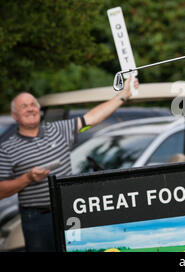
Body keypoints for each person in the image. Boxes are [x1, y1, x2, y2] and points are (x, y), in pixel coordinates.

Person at [0, 76, 138, 251]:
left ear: (39, 109)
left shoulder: (58, 130)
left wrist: (123, 95)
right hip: (36, 217)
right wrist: (27, 178)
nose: (30, 109)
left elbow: (92, 118)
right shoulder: (7, 148)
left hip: (69, 211)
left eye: (33, 105)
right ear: (14, 115)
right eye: (24, 106)